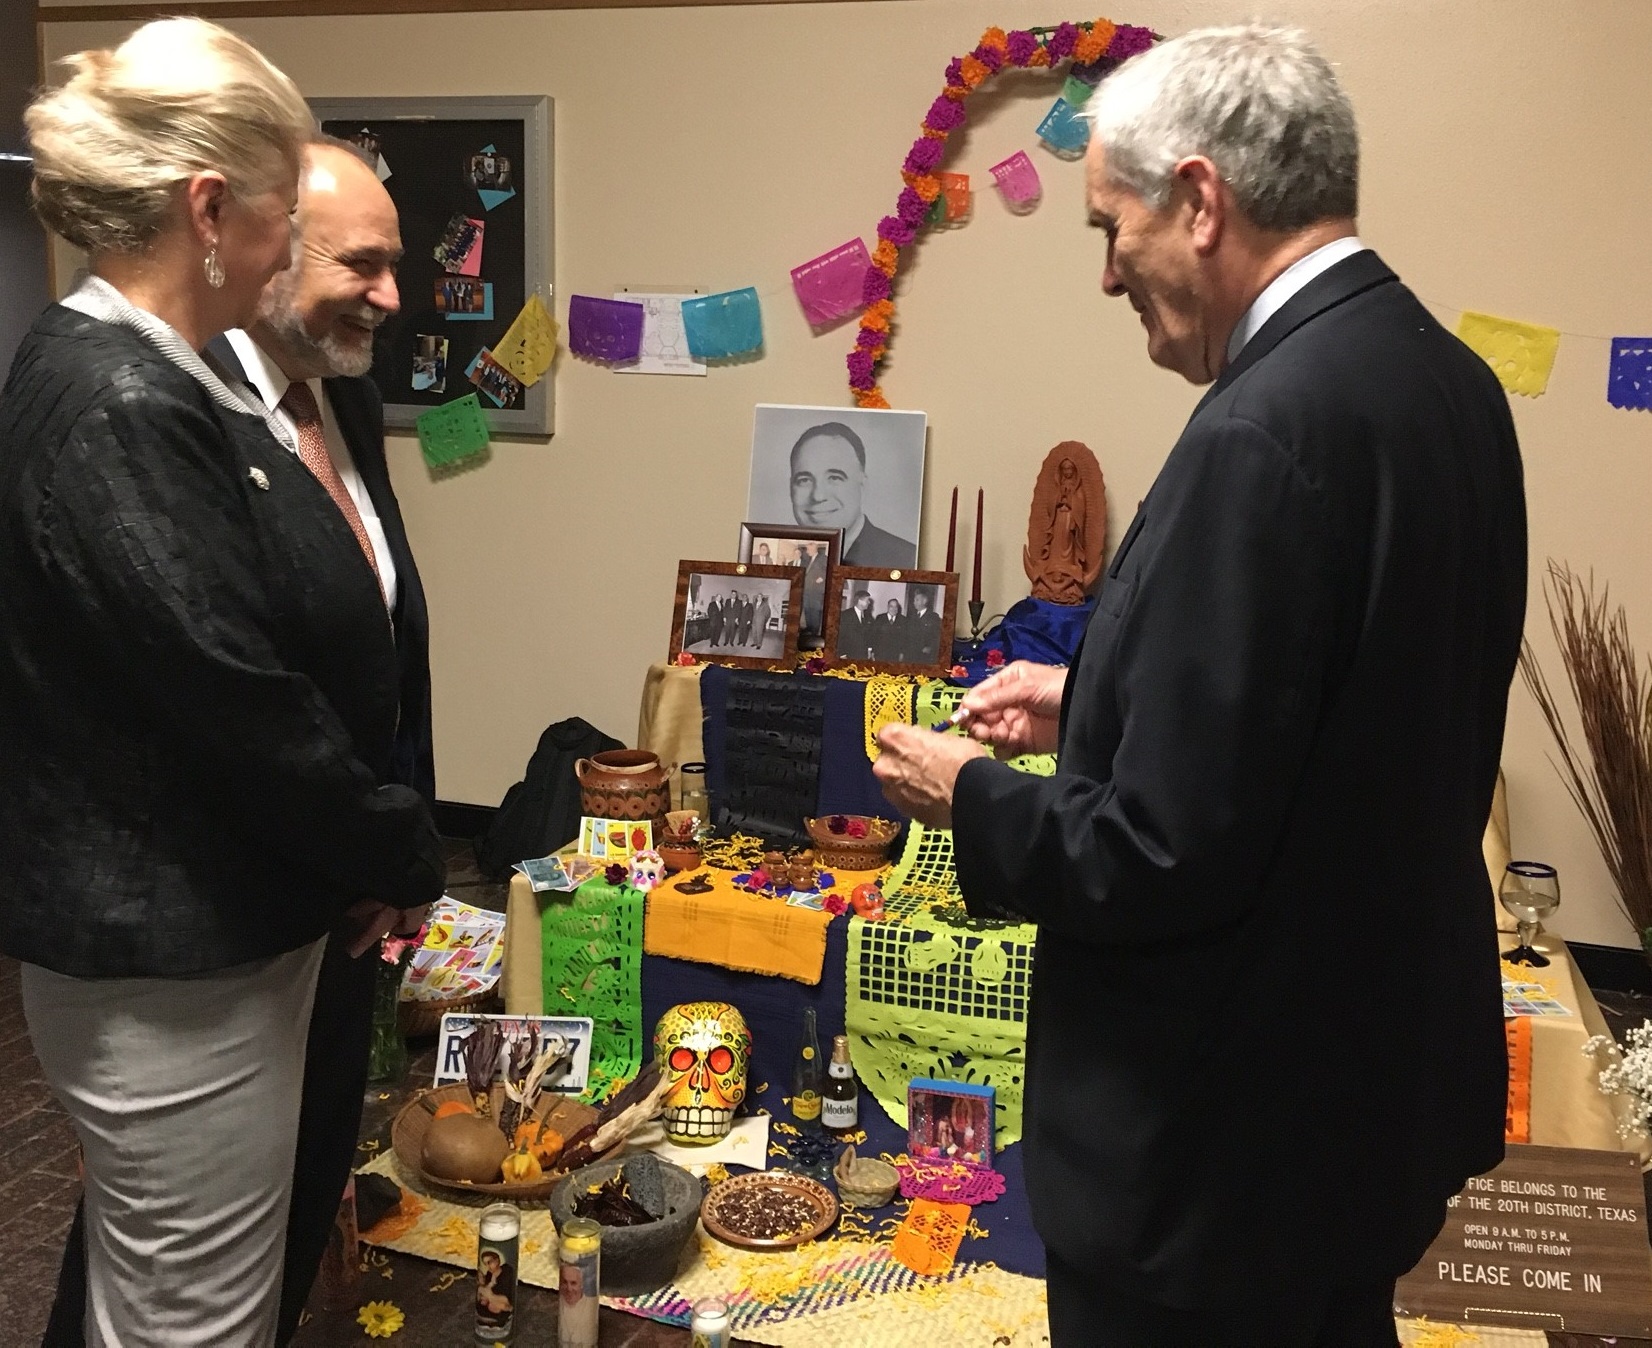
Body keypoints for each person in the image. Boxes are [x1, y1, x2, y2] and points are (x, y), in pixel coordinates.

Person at [873, 25, 1524, 1348]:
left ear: (1203, 199)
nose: (1110, 276)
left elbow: (1155, 857)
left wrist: (975, 792)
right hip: (1359, 1106)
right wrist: (1094, 703)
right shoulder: (1442, 383)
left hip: (1221, 1154)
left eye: (1112, 229)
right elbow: (1342, 712)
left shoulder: (1260, 431)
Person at [3, 19, 444, 1348]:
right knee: (191, 1323)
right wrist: (405, 849)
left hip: (221, 943)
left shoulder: (165, 379)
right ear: (210, 211)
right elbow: (240, 704)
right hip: (169, 969)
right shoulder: (120, 401)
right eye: (272, 209)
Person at [788, 422, 915, 566]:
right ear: (790, 488)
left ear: (862, 485)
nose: (818, 496)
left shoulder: (905, 559)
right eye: (804, 480)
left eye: (835, 478)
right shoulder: (787, 560)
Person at [907, 586, 943, 664]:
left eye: (917, 600)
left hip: (926, 656)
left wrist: (931, 648)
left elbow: (937, 636)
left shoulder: (933, 617)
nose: (914, 602)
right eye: (914, 600)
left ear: (924, 601)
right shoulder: (912, 617)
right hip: (912, 655)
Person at [836, 589, 877, 661]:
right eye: (867, 600)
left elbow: (869, 635)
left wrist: (869, 650)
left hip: (863, 656)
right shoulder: (845, 615)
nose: (869, 602)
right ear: (860, 601)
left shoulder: (868, 617)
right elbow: (840, 636)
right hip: (848, 655)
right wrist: (842, 654)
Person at [873, 597, 906, 662]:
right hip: (880, 653)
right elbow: (874, 636)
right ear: (888, 607)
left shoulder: (903, 620)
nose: (894, 609)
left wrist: (902, 653)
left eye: (896, 607)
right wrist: (873, 651)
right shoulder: (880, 618)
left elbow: (904, 639)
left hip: (895, 655)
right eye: (891, 606)